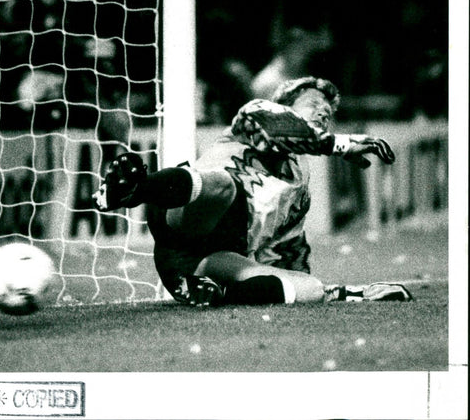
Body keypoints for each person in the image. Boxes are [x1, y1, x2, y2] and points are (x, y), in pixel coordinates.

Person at [93, 76, 413, 306]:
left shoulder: (300, 181)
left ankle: (211, 292)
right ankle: (135, 189)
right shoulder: (256, 114)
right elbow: (283, 130)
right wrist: (339, 144)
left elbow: (287, 251)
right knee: (223, 186)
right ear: (285, 104)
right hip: (183, 215)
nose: (322, 112)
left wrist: (330, 290)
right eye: (314, 103)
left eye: (327, 113)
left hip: (199, 261)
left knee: (310, 288)